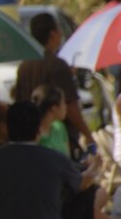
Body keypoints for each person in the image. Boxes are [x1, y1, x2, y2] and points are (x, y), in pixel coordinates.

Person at [15, 13, 93, 148]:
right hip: (58, 139)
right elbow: (71, 106)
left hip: (32, 137)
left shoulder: (24, 66)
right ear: (52, 34)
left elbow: (18, 101)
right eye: (59, 30)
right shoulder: (57, 65)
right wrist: (88, 135)